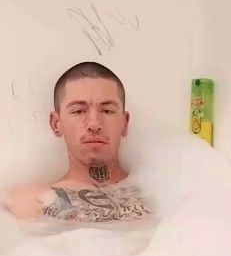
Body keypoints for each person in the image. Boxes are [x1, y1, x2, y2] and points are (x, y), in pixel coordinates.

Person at [3, 62, 153, 224]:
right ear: (56, 124)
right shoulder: (33, 200)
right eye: (78, 111)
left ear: (124, 123)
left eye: (107, 110)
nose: (94, 124)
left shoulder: (160, 191)